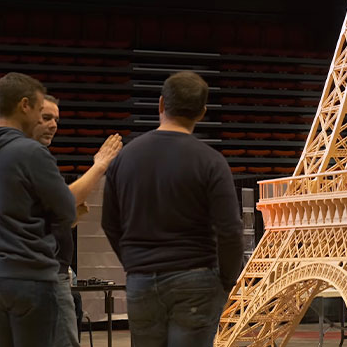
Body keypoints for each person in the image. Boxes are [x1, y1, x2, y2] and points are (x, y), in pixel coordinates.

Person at [102, 71, 243, 346]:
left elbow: (110, 223)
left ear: (161, 105)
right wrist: (226, 280)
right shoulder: (211, 162)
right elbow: (230, 230)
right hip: (195, 278)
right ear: (202, 113)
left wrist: (136, 263)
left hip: (141, 280)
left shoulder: (124, 158)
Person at [0, 73, 77, 347]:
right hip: (31, 277)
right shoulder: (31, 152)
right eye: (40, 111)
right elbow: (67, 212)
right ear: (24, 105)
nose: (41, 120)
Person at [31, 95, 122, 347]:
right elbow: (65, 203)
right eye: (46, 118)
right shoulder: (30, 159)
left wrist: (67, 219)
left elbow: (42, 220)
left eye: (57, 119)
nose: (53, 125)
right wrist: (100, 165)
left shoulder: (36, 159)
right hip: (41, 277)